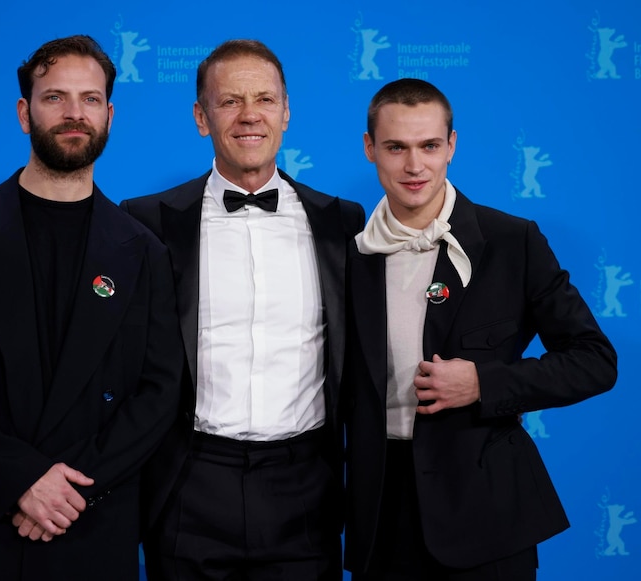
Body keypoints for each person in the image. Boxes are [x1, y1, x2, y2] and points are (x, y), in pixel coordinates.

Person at [0, 35, 182, 581]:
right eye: (55, 97)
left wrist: (66, 490)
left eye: (91, 99)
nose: (74, 113)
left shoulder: (144, 251)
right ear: (23, 111)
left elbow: (159, 390)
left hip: (88, 515)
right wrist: (19, 481)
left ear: (110, 114)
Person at [343, 77, 618, 580]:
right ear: (370, 149)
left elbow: (595, 361)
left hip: (487, 516)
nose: (414, 166)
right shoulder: (347, 253)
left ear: (451, 145)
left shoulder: (513, 241)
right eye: (395, 147)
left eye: (429, 145)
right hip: (378, 515)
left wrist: (483, 383)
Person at [121, 39, 364, 580]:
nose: (249, 115)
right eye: (229, 101)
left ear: (286, 113)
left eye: (265, 100)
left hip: (307, 487)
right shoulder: (145, 222)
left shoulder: (343, 222)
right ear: (201, 118)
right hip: (189, 483)